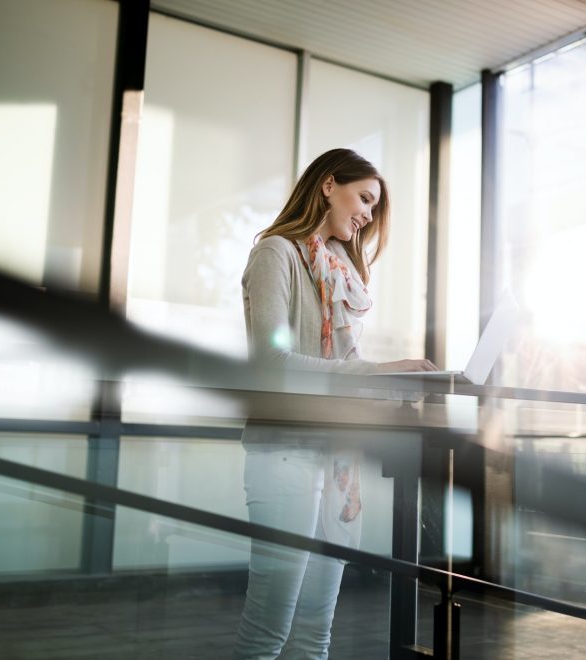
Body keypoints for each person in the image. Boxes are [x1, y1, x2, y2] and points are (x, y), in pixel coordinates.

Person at [233, 148, 436, 659]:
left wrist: (399, 386)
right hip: (284, 456)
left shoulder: (339, 272)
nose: (368, 214)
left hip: (337, 459)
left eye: (374, 207)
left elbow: (346, 374)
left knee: (315, 637)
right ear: (328, 185)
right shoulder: (275, 254)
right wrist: (379, 373)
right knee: (267, 634)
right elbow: (273, 364)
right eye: (364, 198)